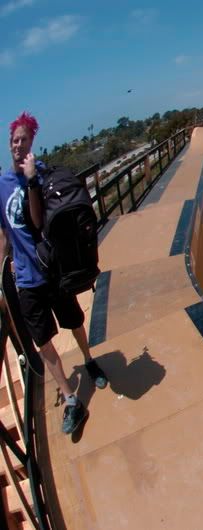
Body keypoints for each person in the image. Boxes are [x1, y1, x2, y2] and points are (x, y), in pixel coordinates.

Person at [0, 112, 108, 435]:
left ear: (33, 142)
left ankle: (89, 360)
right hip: (27, 281)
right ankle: (71, 398)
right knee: (43, 340)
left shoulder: (43, 176)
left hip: (52, 271)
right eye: (13, 140)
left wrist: (32, 179)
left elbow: (36, 221)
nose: (18, 145)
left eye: (23, 140)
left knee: (74, 322)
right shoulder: (2, 185)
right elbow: (5, 233)